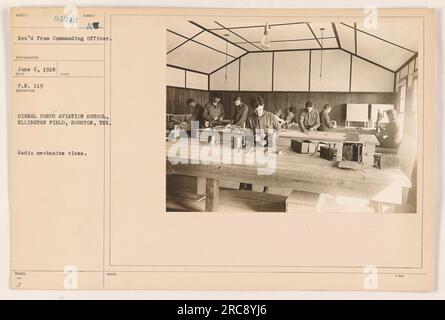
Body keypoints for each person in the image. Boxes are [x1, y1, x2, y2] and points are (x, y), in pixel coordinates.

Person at [240, 96, 281, 193]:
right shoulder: (250, 118)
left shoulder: (271, 116)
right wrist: (252, 140)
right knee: (249, 166)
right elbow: (249, 135)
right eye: (255, 110)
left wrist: (270, 138)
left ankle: (266, 188)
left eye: (259, 109)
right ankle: (247, 188)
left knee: (266, 167)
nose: (258, 112)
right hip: (255, 145)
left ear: (263, 106)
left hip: (268, 146)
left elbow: (278, 129)